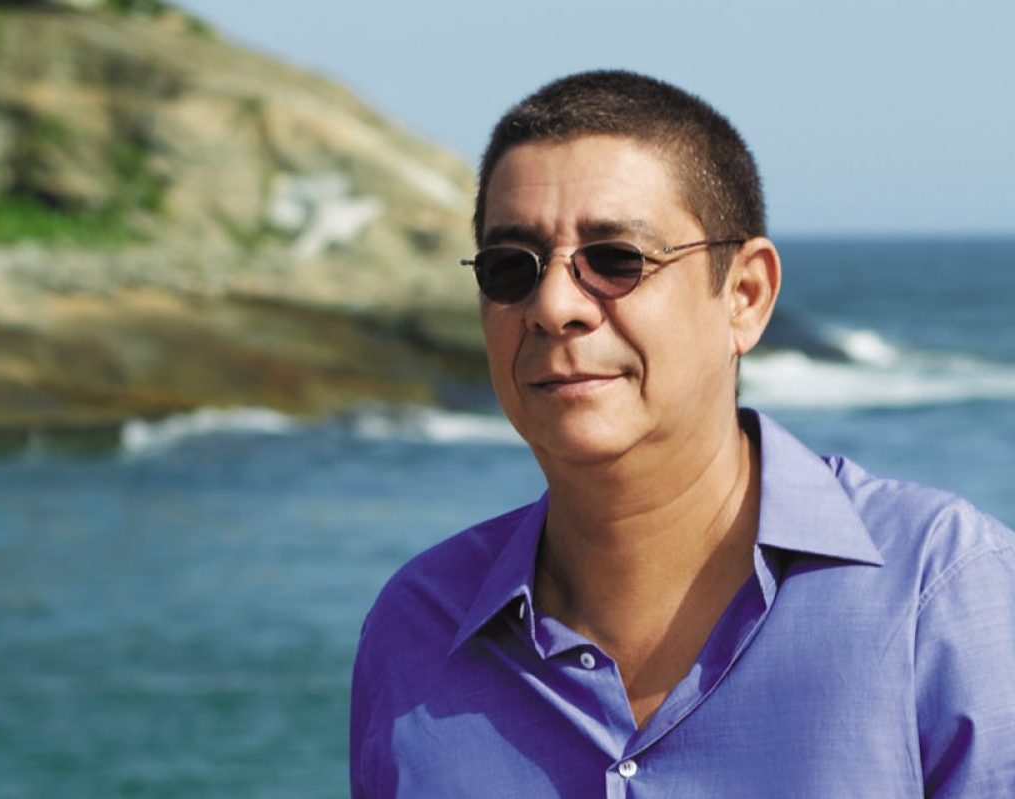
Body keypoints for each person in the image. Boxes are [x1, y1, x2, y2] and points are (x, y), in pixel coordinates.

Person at [349, 70, 1015, 797]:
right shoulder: (417, 630)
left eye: (616, 259)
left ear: (746, 296)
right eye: (511, 269)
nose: (554, 305)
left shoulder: (940, 592)